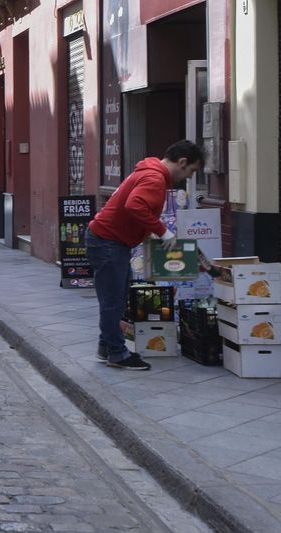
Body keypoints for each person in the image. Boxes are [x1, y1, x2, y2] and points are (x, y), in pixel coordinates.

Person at [85, 140, 204, 370]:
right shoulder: (155, 178)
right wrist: (163, 232)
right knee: (113, 301)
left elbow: (137, 209)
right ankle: (117, 353)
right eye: (191, 171)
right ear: (182, 162)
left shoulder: (151, 171)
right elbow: (135, 205)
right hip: (108, 242)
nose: (188, 177)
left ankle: (107, 346)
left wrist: (147, 233)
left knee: (117, 298)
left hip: (109, 241)